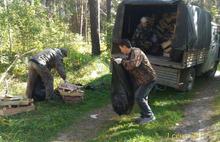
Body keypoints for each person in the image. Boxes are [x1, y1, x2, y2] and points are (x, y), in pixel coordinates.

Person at [114, 39, 156, 124]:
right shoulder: (130, 54)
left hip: (149, 79)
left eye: (121, 48)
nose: (121, 51)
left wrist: (122, 61)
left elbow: (133, 64)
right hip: (142, 80)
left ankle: (150, 116)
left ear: (125, 47)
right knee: (143, 97)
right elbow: (128, 64)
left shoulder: (137, 52)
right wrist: (121, 62)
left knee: (139, 97)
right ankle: (144, 115)